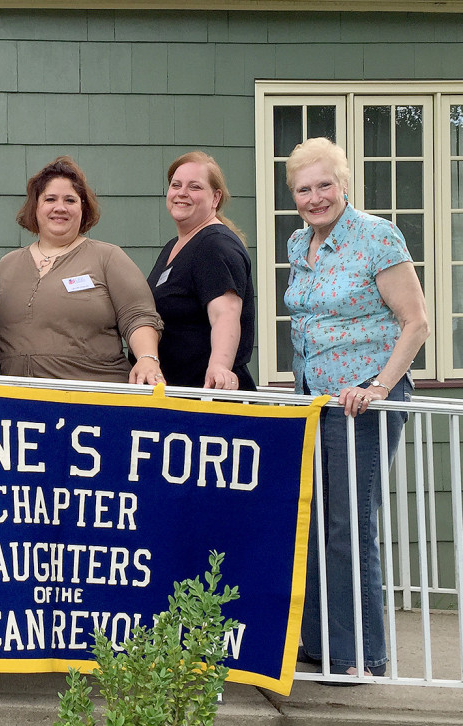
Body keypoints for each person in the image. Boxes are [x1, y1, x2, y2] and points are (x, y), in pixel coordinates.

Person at [284, 137, 429, 679]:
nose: (316, 197)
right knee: (315, 524)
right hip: (313, 400)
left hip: (363, 404)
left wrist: (380, 387)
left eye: (325, 185)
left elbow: (416, 322)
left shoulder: (376, 235)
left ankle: (361, 654)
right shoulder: (301, 244)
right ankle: (321, 645)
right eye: (304, 189)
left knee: (350, 524)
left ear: (343, 184)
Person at [0, 156, 164, 383]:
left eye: (70, 200)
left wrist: (147, 358)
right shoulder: (6, 265)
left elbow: (138, 316)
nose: (60, 208)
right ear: (35, 206)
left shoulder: (107, 257)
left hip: (91, 402)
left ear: (83, 208)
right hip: (17, 406)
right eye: (50, 199)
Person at [147, 151, 255, 390]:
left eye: (194, 186)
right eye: (176, 185)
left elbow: (225, 313)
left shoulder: (215, 245)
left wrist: (219, 367)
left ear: (215, 198)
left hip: (208, 399)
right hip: (177, 396)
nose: (182, 193)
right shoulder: (174, 247)